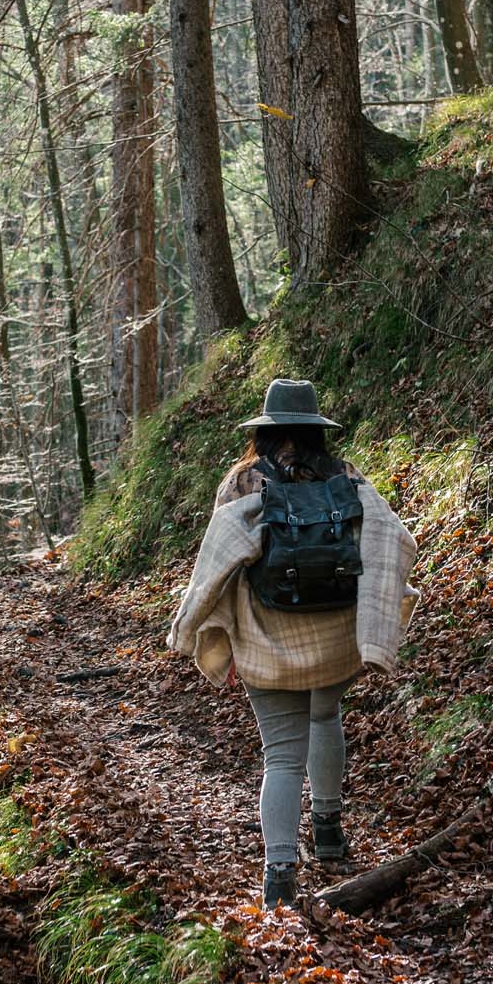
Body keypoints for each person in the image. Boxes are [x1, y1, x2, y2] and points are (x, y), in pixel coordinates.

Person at [166, 379, 419, 909]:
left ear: (264, 429)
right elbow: (386, 540)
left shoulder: (241, 483)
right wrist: (377, 628)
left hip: (266, 638)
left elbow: (219, 566)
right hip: (335, 636)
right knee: (326, 719)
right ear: (315, 430)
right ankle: (327, 830)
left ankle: (279, 872)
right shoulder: (345, 476)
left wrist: (216, 637)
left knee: (281, 756)